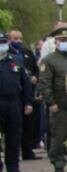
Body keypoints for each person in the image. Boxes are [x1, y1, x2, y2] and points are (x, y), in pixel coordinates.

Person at [39, 26, 67, 172]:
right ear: (55, 41)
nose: (65, 42)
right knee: (59, 134)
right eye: (62, 40)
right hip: (60, 104)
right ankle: (58, 161)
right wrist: (51, 102)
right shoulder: (49, 60)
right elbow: (45, 82)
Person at [0, 31, 34, 172]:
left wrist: (28, 102)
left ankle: (13, 168)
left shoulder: (15, 61)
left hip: (14, 103)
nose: (2, 46)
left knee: (14, 137)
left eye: (3, 43)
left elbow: (25, 83)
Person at [8, 29, 41, 160]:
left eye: (20, 38)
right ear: (9, 40)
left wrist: (35, 77)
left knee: (29, 124)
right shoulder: (8, 54)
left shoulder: (27, 53)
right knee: (14, 127)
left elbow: (36, 70)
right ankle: (15, 153)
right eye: (15, 39)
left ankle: (28, 150)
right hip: (14, 95)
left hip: (28, 93)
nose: (19, 41)